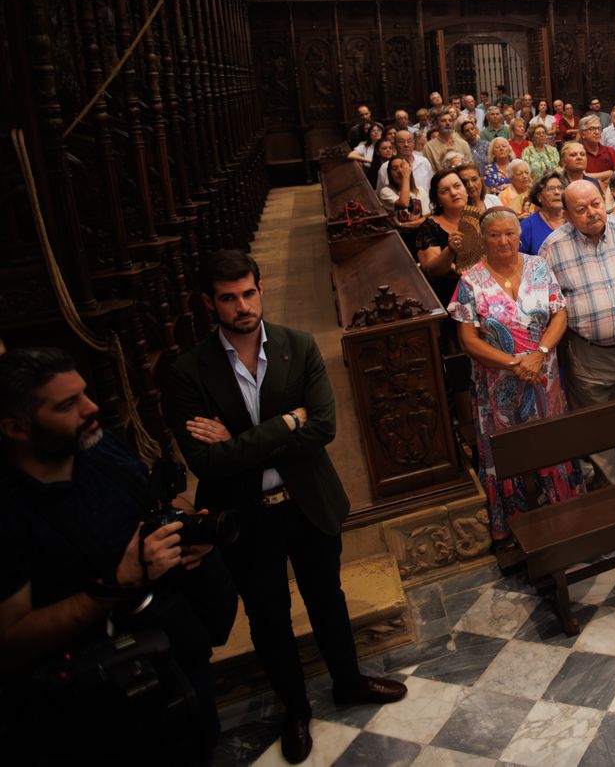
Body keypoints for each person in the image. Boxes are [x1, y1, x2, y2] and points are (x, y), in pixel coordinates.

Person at [165, 252, 406, 763]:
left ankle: (347, 680)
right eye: (228, 298)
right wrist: (285, 425)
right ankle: (295, 710)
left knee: (327, 597)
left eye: (249, 293)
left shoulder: (298, 346)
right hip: (243, 515)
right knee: (268, 616)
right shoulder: (189, 371)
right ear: (210, 303)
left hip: (307, 501)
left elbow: (323, 427)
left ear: (260, 289)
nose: (242, 305)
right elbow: (206, 462)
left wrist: (244, 440)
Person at [1, 349, 232, 767]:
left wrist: (187, 530)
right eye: (68, 404)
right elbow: (10, 640)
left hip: (174, 654)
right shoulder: (10, 512)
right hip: (93, 702)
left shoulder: (99, 444)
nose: (91, 409)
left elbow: (152, 502)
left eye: (84, 394)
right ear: (16, 427)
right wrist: (114, 586)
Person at [449, 209, 583, 543]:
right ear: (483, 239)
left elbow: (559, 315)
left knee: (549, 443)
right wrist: (514, 364)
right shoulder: (470, 280)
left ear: (519, 234)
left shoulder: (538, 266)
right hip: (498, 388)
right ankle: (516, 528)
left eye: (509, 233)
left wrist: (538, 356)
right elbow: (467, 340)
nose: (503, 240)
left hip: (543, 380)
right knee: (508, 453)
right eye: (494, 234)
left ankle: (564, 516)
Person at [539, 180, 615, 484]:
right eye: (581, 210)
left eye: (596, 203)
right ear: (567, 215)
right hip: (589, 354)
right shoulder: (553, 248)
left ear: (605, 200)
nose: (592, 213)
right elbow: (548, 306)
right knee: (596, 430)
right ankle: (611, 497)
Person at [413, 169, 484, 310]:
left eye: (457, 186)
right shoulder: (430, 227)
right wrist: (450, 250)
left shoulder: (482, 218)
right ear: (437, 199)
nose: (453, 192)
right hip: (452, 299)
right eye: (445, 191)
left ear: (465, 190)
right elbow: (432, 271)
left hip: (486, 291)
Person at [519, 171, 570, 255]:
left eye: (561, 188)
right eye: (550, 188)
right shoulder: (527, 226)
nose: (557, 192)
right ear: (539, 196)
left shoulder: (574, 219)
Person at [378, 156, 424, 226]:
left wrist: (401, 225)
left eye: (402, 167)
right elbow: (404, 203)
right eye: (394, 169)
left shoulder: (420, 190)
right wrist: (405, 176)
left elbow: (427, 217)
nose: (400, 171)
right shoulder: (386, 191)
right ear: (390, 174)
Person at [578, 116, 615, 186]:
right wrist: (609, 173)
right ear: (583, 134)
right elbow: (580, 177)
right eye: (592, 129)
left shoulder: (610, 151)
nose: (597, 132)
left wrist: (595, 181)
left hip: (610, 193)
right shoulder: (578, 154)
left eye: (599, 128)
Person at [394, 129, 433, 198]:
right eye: (401, 142)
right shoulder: (386, 167)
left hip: (425, 205)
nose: (406, 145)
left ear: (414, 143)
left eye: (409, 141)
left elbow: (431, 187)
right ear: (395, 144)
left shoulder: (424, 162)